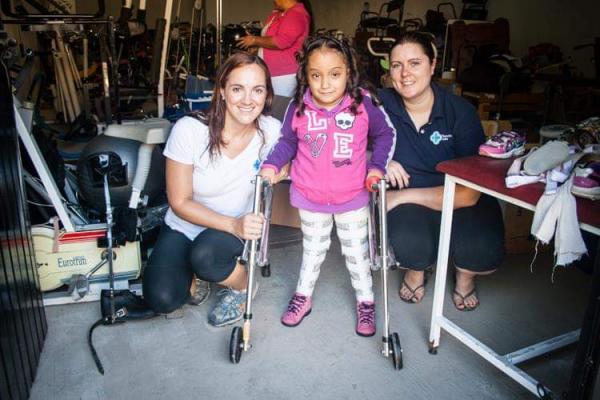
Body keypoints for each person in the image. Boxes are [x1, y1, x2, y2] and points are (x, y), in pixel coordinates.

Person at [260, 35, 396, 336]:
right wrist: (272, 164)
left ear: (348, 72)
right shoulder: (298, 107)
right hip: (310, 196)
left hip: (352, 197)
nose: (325, 84)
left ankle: (366, 301)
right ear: (305, 76)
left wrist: (377, 167)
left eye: (334, 74)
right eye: (316, 75)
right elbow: (287, 142)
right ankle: (303, 296)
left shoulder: (363, 103)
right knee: (313, 250)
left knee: (356, 254)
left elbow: (385, 134)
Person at [143, 52, 284, 326]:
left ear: (267, 95)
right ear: (221, 91)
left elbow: (293, 162)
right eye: (237, 89)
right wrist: (232, 223)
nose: (247, 100)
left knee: (206, 256)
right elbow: (180, 202)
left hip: (235, 230)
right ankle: (195, 271)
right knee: (162, 298)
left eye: (257, 90)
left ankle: (242, 286)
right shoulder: (189, 130)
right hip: (187, 224)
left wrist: (278, 171)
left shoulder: (271, 131)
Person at [378, 32, 505, 311]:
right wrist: (377, 160)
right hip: (411, 197)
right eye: (397, 65)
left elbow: (469, 195)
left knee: (482, 250)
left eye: (415, 63)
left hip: (457, 194)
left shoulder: (460, 112)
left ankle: (465, 276)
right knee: (410, 245)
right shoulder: (379, 103)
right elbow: (342, 134)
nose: (405, 73)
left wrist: (400, 197)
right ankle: (416, 269)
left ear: (432, 65)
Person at [237, 0, 312, 97]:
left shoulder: (296, 13)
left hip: (284, 74)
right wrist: (258, 48)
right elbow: (269, 39)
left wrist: (254, 40)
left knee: (279, 103)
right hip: (270, 71)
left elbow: (282, 41)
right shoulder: (277, 14)